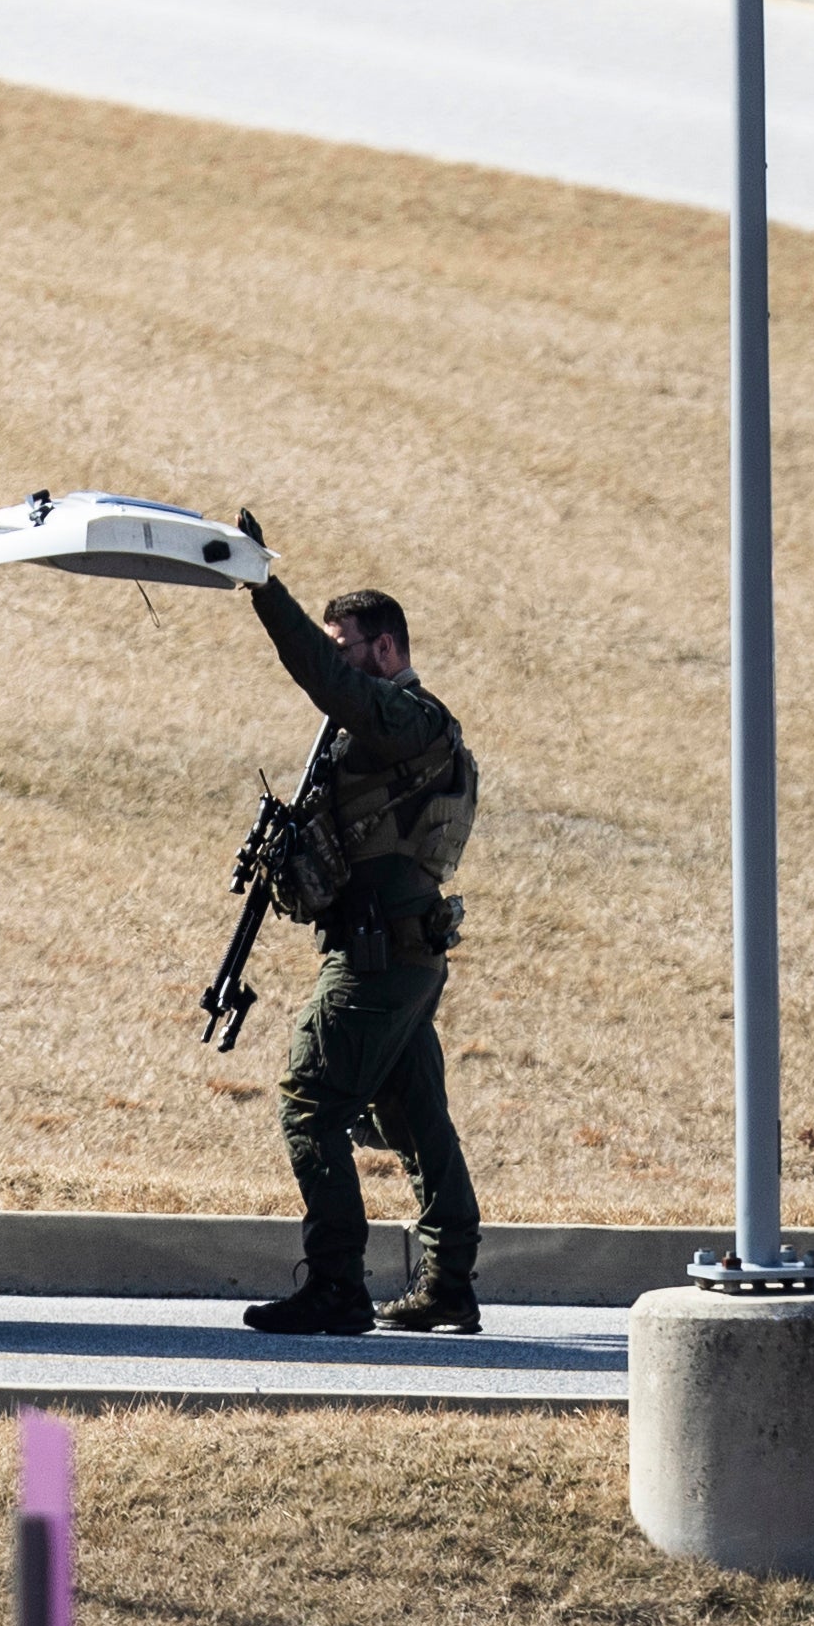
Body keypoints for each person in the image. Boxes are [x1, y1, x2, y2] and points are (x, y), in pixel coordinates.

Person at [232, 512, 486, 1336]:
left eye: (348, 646)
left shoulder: (405, 720)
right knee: (415, 1116)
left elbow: (325, 680)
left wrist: (263, 588)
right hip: (390, 952)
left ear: (384, 650)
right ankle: (448, 1283)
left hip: (381, 959)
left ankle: (337, 1284)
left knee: (310, 1102)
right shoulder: (375, 735)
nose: (338, 660)